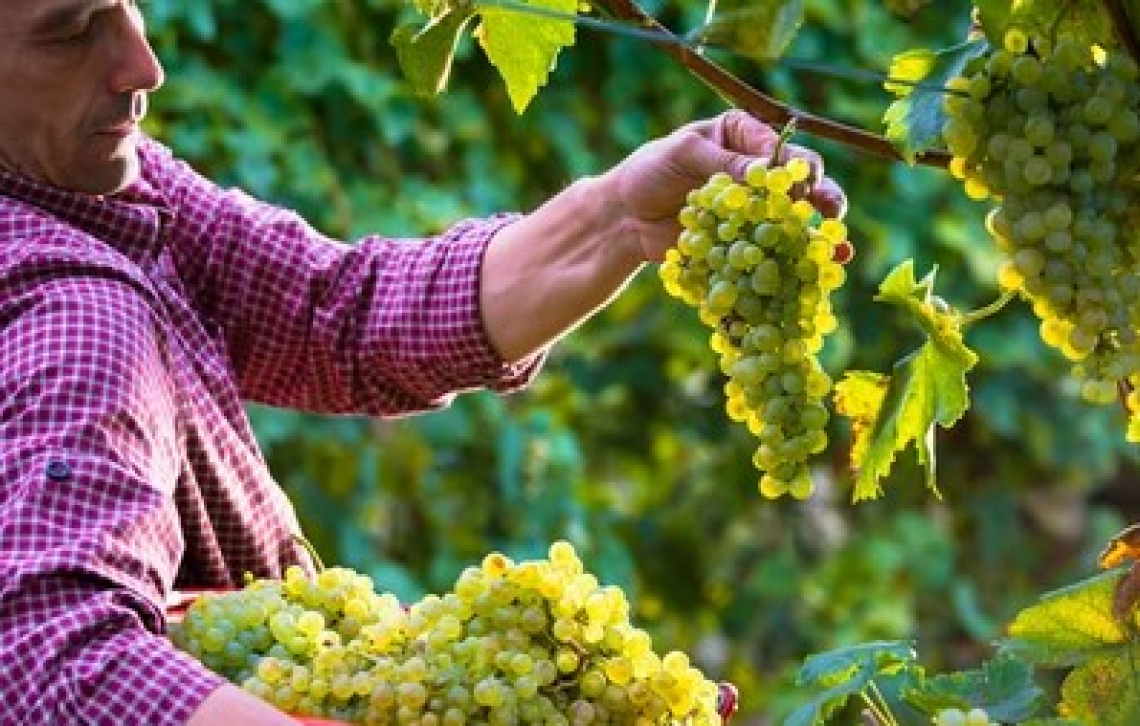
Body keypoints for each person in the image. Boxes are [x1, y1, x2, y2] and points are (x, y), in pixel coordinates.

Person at [0, 1, 846, 724]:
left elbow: (340, 315)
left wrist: (619, 217)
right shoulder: (72, 312)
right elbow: (51, 669)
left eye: (128, 4)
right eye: (71, 31)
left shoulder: (102, 188)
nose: (141, 66)